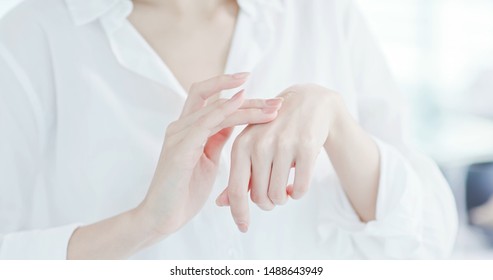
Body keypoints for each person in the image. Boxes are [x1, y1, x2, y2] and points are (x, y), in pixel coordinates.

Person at [0, 0, 458, 259]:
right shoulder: (30, 37)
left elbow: (429, 243)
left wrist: (336, 121)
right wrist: (141, 225)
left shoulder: (322, 15)